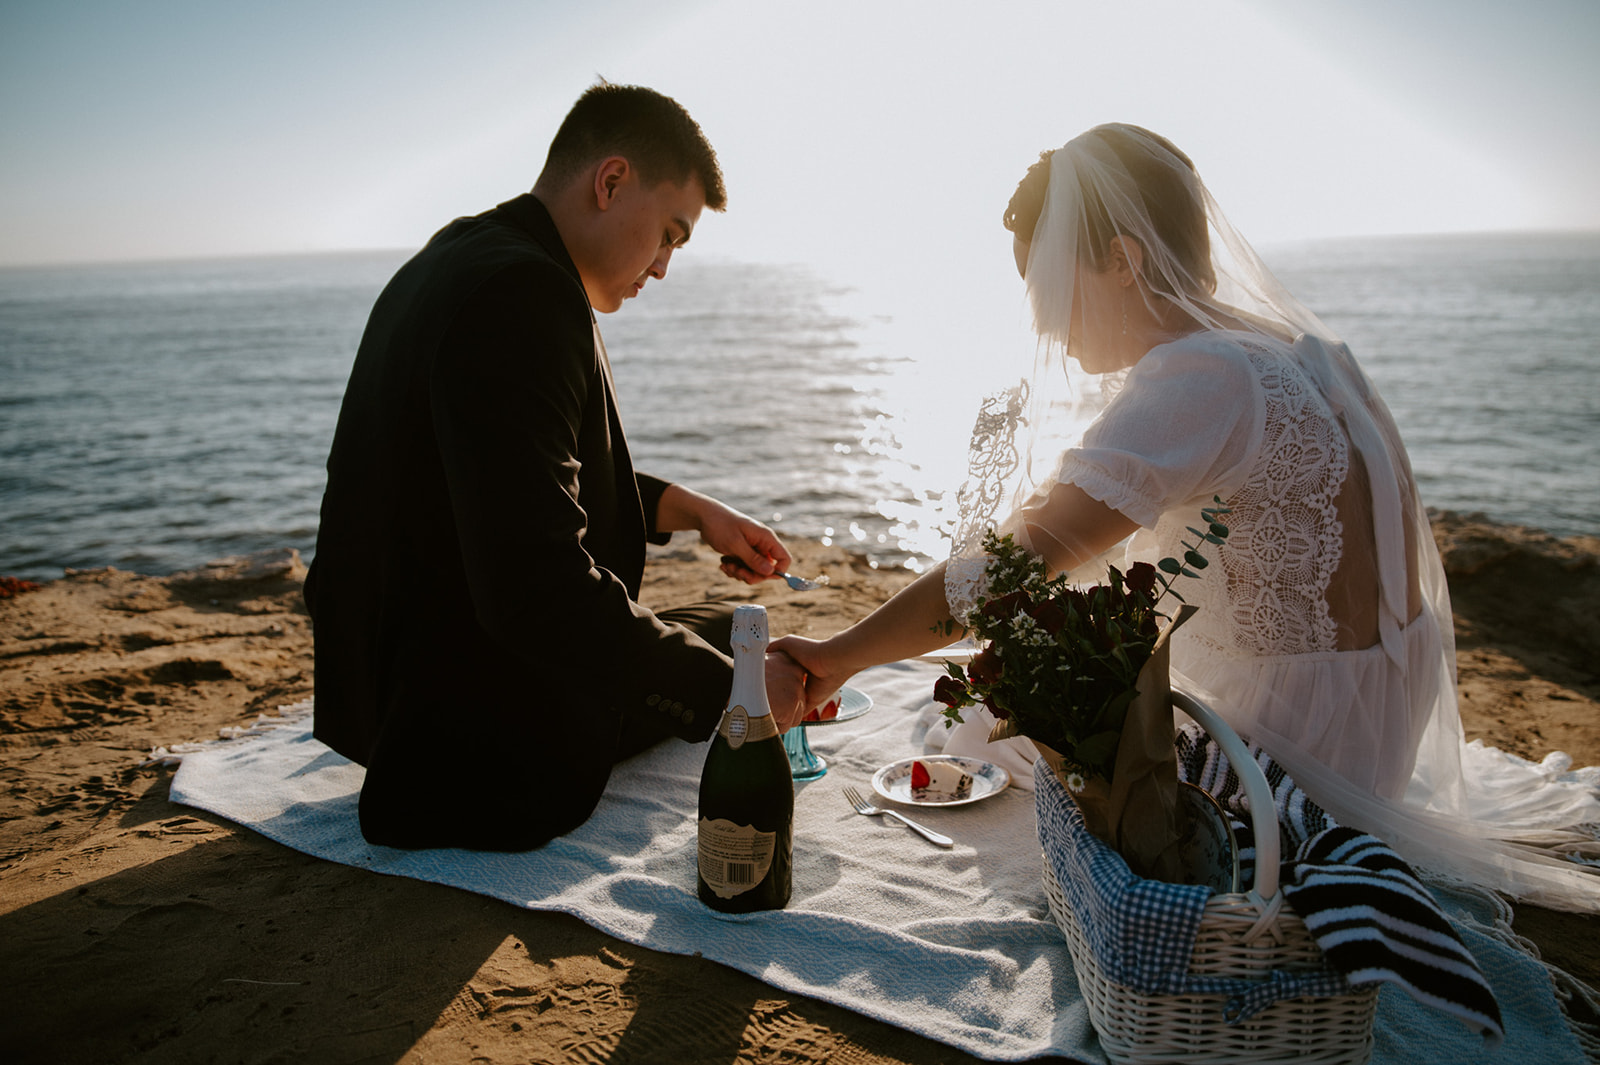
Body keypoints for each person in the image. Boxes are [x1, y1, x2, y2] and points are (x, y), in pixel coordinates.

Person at [773, 124, 1600, 911]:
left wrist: (838, 655)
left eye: (1049, 286)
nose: (1043, 321)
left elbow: (1009, 569)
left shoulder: (1200, 377)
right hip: (1376, 709)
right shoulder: (1294, 349)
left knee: (982, 726)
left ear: (1124, 260)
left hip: (1293, 746)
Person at [306, 83, 807, 852]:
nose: (665, 266)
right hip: (458, 732)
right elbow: (533, 586)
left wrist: (691, 508)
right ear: (611, 182)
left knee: (728, 632)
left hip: (391, 677)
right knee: (735, 662)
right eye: (669, 233)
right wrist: (725, 695)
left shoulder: (462, 252)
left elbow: (501, 478)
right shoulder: (525, 296)